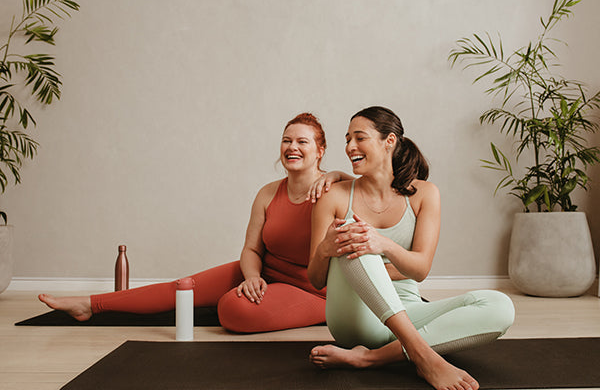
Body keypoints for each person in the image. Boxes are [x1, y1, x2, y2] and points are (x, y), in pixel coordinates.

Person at [39, 112, 351, 333]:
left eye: (302, 142)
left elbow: (367, 193)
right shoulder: (268, 193)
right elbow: (251, 249)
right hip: (267, 272)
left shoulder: (332, 189)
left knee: (232, 309)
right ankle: (89, 305)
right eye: (286, 141)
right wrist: (252, 276)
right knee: (182, 288)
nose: (292, 147)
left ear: (320, 151)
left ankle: (313, 314)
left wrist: (341, 174)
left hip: (312, 291)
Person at [307, 106, 515, 390]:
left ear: (389, 141)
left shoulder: (425, 194)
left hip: (409, 311)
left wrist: (384, 245)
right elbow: (316, 279)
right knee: (356, 240)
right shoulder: (334, 196)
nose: (349, 147)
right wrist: (325, 251)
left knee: (499, 307)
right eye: (347, 140)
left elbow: (419, 270)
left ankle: (371, 358)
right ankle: (423, 356)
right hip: (354, 318)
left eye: (359, 138)